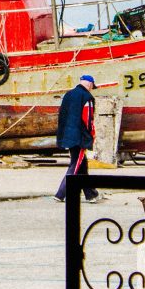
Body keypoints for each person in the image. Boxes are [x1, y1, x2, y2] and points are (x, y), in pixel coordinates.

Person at [54, 74, 102, 203]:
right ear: (90, 85)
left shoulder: (68, 95)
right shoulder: (87, 97)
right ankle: (61, 193)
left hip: (67, 134)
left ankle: (91, 194)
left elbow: (62, 115)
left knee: (82, 164)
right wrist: (91, 134)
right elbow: (88, 118)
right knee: (76, 165)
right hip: (80, 136)